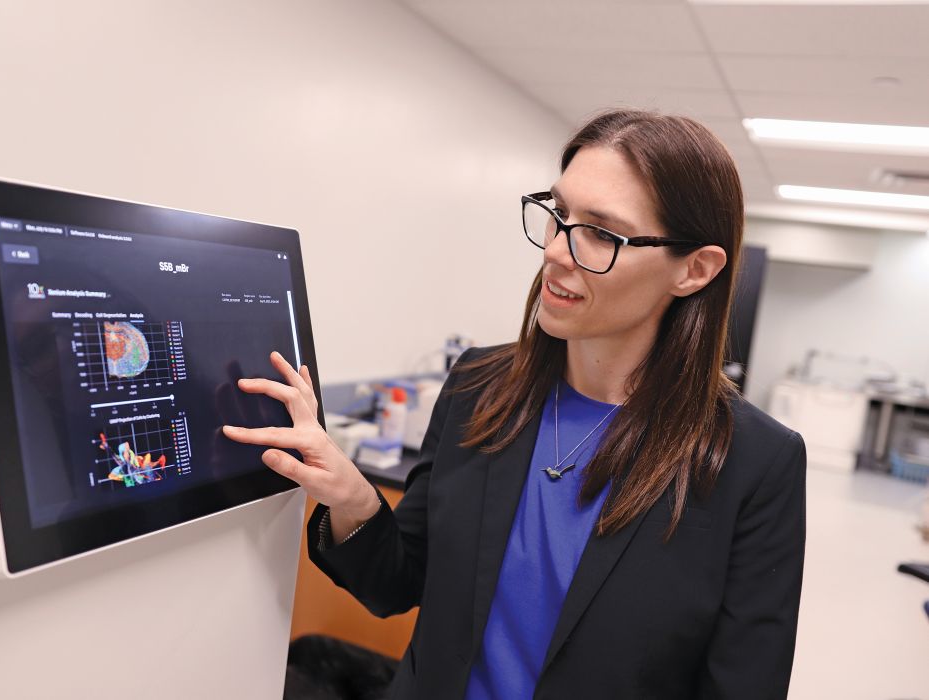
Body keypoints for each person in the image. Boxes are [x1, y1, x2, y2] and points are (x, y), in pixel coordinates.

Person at [222, 109, 807, 699]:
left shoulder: (753, 463)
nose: (556, 251)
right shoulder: (480, 387)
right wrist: (351, 498)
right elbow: (400, 582)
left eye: (601, 234)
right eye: (559, 215)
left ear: (694, 270)